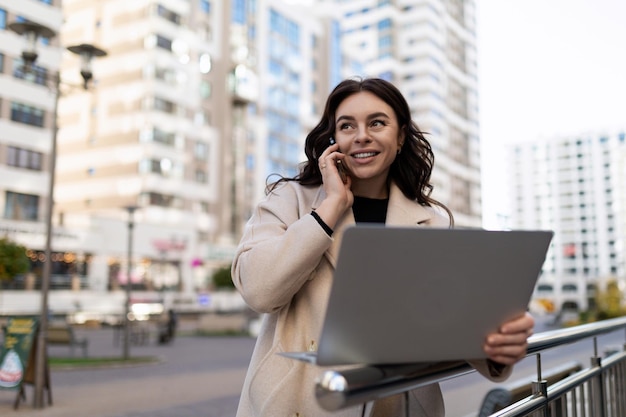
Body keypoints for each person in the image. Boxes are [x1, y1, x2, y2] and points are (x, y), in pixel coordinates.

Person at [231, 77, 534, 417]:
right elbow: (259, 291)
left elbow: (449, 319)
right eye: (347, 126)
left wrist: (498, 342)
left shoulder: (431, 222)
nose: (362, 135)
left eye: (377, 122)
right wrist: (329, 208)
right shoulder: (289, 199)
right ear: (334, 139)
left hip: (398, 406)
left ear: (401, 136)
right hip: (298, 403)